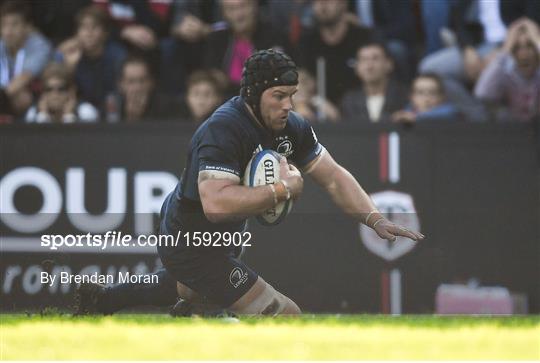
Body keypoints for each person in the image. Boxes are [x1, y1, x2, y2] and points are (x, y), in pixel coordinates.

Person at [76, 49, 423, 316]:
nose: (289, 105)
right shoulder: (223, 129)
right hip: (190, 240)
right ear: (254, 95)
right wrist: (283, 189)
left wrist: (374, 218)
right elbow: (215, 205)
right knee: (287, 317)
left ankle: (104, 299)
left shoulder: (291, 126)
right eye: (279, 96)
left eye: (292, 94)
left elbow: (333, 176)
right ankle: (203, 312)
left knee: (190, 289)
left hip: (223, 237)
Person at [56, 5, 126, 114]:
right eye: (83, 27)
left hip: (111, 110)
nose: (89, 33)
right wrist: (70, 68)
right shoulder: (67, 53)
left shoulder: (117, 56)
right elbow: (57, 91)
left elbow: (118, 92)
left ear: (105, 33)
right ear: (77, 33)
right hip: (79, 110)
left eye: (94, 27)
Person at [474, 18, 540, 122]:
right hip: (510, 132)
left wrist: (537, 41)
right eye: (517, 47)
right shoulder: (505, 75)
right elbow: (482, 93)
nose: (524, 54)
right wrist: (505, 49)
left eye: (529, 46)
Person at [0, 0, 52, 120]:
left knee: (22, 97)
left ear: (28, 27)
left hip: (38, 100)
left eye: (14, 24)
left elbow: (22, 79)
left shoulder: (40, 46)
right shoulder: (1, 45)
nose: (8, 31)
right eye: (4, 25)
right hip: (6, 99)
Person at [341, 42, 408, 123]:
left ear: (389, 64)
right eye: (364, 60)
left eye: (375, 59)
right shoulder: (349, 100)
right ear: (356, 68)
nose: (369, 66)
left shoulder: (405, 96)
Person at [25, 62, 99, 124]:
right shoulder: (33, 114)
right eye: (49, 89)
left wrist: (69, 116)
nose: (55, 95)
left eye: (61, 89)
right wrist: (43, 116)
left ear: (71, 91)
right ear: (43, 93)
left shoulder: (86, 112)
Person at [392, 73, 459, 124]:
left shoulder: (449, 112)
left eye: (432, 93)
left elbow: (446, 113)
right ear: (411, 97)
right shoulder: (406, 113)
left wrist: (415, 118)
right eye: (420, 93)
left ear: (442, 97)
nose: (427, 99)